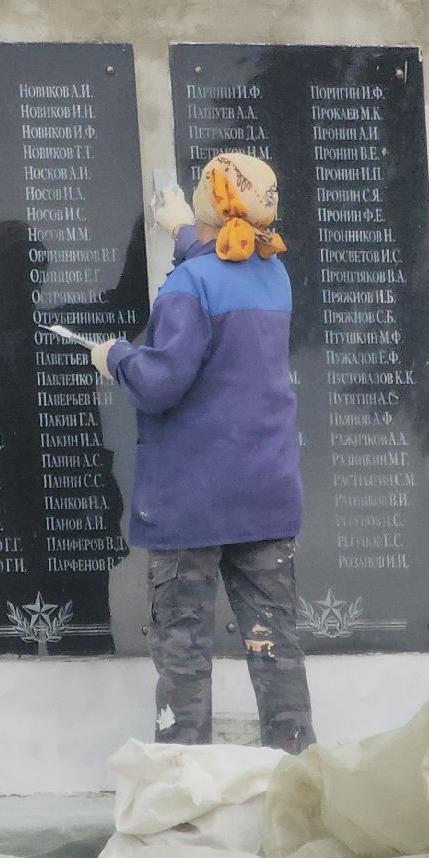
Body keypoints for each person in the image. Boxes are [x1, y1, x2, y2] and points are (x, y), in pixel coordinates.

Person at [88, 152, 315, 753]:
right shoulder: (274, 275)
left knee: (184, 654)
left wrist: (113, 357)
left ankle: (181, 797)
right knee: (276, 648)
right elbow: (224, 263)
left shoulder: (190, 284)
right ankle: (297, 776)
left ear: (213, 204)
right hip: (265, 497)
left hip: (192, 504)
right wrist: (181, 230)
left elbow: (161, 384)